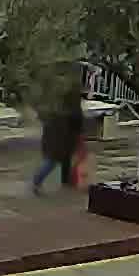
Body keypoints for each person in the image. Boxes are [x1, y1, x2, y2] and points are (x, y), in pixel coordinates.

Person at [31, 65, 92, 198]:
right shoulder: (71, 96)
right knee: (54, 159)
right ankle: (37, 182)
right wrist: (81, 130)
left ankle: (66, 181)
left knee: (64, 157)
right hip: (63, 133)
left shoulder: (54, 93)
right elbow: (76, 115)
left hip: (56, 129)